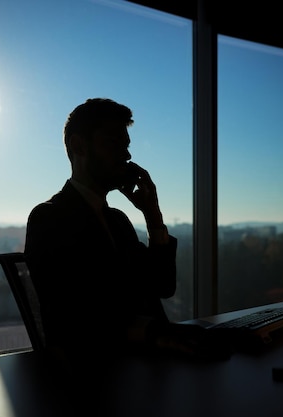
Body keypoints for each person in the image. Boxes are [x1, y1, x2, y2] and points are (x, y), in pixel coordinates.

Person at [24, 98, 231, 361]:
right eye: (113, 144)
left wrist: (153, 217)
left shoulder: (118, 221)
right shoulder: (48, 218)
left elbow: (162, 285)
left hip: (145, 364)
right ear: (78, 146)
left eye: (126, 146)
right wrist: (156, 333)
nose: (127, 156)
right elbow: (75, 318)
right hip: (98, 373)